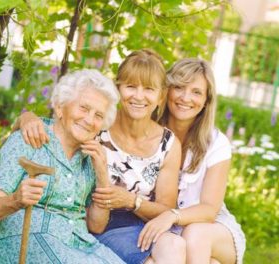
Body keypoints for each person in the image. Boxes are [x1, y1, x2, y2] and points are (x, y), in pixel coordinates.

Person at [16, 49, 185, 264]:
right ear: (118, 89)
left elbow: (165, 209)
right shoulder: (97, 126)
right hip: (98, 226)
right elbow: (59, 128)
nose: (139, 96)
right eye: (131, 86)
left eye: (149, 89)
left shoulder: (168, 144)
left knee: (175, 244)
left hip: (144, 226)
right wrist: (26, 117)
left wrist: (132, 201)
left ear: (160, 97)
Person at [0, 69, 126, 264]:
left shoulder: (91, 159)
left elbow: (96, 226)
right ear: (59, 107)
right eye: (84, 108)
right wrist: (15, 200)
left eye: (98, 115)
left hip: (78, 244)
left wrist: (102, 172)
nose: (90, 120)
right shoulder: (27, 139)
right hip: (25, 236)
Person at [137, 58, 246, 264]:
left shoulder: (216, 143)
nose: (186, 97)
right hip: (162, 228)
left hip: (209, 228)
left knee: (195, 234)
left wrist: (171, 215)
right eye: (179, 87)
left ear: (206, 100)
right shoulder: (147, 132)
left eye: (196, 92)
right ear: (166, 90)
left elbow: (209, 210)